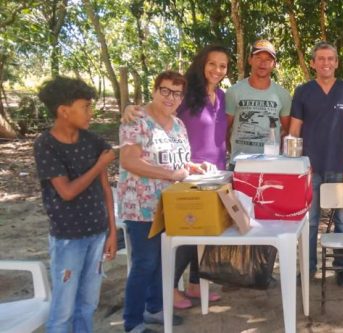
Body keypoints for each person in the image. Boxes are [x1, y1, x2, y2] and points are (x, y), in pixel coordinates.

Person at [122, 45, 229, 309]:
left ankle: (193, 285)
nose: (217, 70)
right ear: (202, 63)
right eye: (212, 63)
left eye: (223, 65)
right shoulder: (186, 93)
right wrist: (129, 108)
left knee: (202, 235)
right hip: (173, 180)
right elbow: (156, 113)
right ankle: (163, 295)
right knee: (179, 239)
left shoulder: (222, 96)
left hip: (206, 170)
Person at [119, 71, 211, 333]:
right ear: (155, 90)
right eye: (165, 90)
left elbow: (177, 161)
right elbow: (129, 160)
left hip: (171, 204)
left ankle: (155, 308)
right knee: (145, 262)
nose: (171, 97)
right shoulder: (137, 119)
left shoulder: (179, 124)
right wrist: (172, 174)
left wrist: (193, 167)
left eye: (177, 93)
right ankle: (133, 322)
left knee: (164, 261)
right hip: (142, 205)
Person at [33, 76, 117, 333]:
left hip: (97, 234)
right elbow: (66, 192)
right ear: (64, 110)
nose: (90, 112)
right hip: (68, 238)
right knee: (63, 309)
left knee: (88, 304)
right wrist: (99, 165)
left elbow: (105, 189)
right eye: (86, 106)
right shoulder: (46, 145)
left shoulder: (93, 141)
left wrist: (112, 231)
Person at [289, 41, 343, 287]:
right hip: (311, 168)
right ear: (313, 63)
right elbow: (294, 129)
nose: (326, 63)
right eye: (321, 59)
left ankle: (342, 267)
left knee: (342, 220)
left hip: (341, 167)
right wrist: (297, 166)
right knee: (310, 221)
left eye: (330, 58)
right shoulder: (303, 91)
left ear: (337, 62)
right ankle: (308, 268)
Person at [227, 39, 292, 163]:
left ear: (274, 64)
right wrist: (233, 153)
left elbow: (288, 132)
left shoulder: (283, 95)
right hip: (239, 165)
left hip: (271, 165)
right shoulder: (233, 92)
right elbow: (224, 130)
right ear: (250, 59)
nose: (263, 63)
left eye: (268, 60)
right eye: (258, 58)